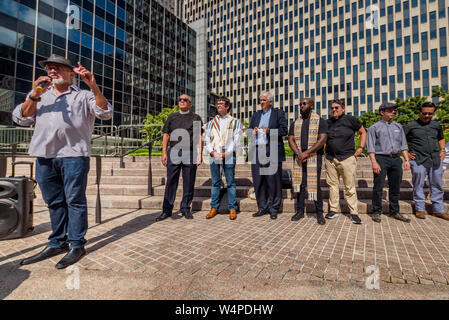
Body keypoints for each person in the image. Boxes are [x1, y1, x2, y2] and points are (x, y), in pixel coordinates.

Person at [12, 54, 113, 269]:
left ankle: (77, 244)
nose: (52, 71)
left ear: (70, 73)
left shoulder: (83, 96)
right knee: (54, 202)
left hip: (73, 156)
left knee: (74, 201)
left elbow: (105, 113)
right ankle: (57, 242)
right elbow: (21, 118)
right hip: (45, 157)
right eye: (50, 68)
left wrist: (93, 86)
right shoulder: (40, 96)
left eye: (57, 67)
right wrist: (35, 93)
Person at [156, 94, 203, 221]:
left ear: (190, 104)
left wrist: (199, 154)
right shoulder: (171, 117)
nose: (182, 101)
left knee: (189, 182)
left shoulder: (196, 117)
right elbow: (166, 135)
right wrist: (164, 153)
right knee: (171, 181)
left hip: (190, 152)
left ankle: (186, 208)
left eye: (185, 100)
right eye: (180, 100)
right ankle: (167, 210)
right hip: (174, 152)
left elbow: (199, 136)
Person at [366, 102, 411, 223]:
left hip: (396, 159)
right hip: (381, 158)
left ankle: (394, 211)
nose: (393, 112)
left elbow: (403, 145)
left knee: (395, 187)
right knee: (378, 187)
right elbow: (370, 147)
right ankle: (376, 211)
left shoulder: (398, 126)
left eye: (394, 110)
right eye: (390, 110)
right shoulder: (373, 128)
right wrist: (374, 162)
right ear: (382, 112)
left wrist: (406, 160)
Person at [404, 102, 449, 221]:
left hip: (435, 159)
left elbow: (441, 138)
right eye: (425, 113)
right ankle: (419, 208)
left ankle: (438, 210)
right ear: (419, 112)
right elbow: (400, 140)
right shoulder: (410, 126)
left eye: (430, 113)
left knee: (437, 184)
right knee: (418, 183)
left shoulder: (436, 125)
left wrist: (443, 150)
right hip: (418, 159)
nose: (427, 115)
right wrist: (406, 153)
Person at [325, 99, 366, 224]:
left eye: (336, 107)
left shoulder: (351, 120)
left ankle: (353, 212)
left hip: (347, 158)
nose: (334, 110)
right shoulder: (328, 122)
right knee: (333, 185)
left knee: (349, 186)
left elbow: (363, 132)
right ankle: (333, 210)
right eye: (332, 108)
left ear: (343, 109)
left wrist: (361, 147)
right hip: (330, 158)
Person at [288, 97, 328, 225]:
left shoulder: (320, 121)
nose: (301, 106)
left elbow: (322, 140)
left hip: (314, 158)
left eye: (304, 104)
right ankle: (300, 211)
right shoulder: (295, 123)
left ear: (311, 106)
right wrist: (299, 153)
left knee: (315, 185)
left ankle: (319, 213)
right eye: (300, 104)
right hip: (299, 158)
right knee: (300, 185)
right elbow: (291, 139)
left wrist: (307, 153)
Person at [249, 92, 288, 220]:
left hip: (272, 151)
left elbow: (284, 130)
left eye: (264, 100)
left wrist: (269, 131)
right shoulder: (256, 115)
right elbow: (249, 132)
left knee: (273, 182)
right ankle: (262, 207)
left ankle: (273, 208)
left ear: (270, 102)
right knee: (258, 181)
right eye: (260, 100)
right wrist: (252, 132)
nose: (261, 102)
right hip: (257, 152)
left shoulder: (278, 114)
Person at [204, 96, 243, 220]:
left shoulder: (235, 122)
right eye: (218, 104)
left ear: (227, 107)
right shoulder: (211, 123)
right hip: (214, 155)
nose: (218, 105)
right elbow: (206, 139)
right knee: (215, 182)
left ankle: (232, 208)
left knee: (230, 182)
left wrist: (227, 153)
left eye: (221, 104)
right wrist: (211, 152)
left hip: (229, 155)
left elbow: (236, 140)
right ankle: (214, 207)